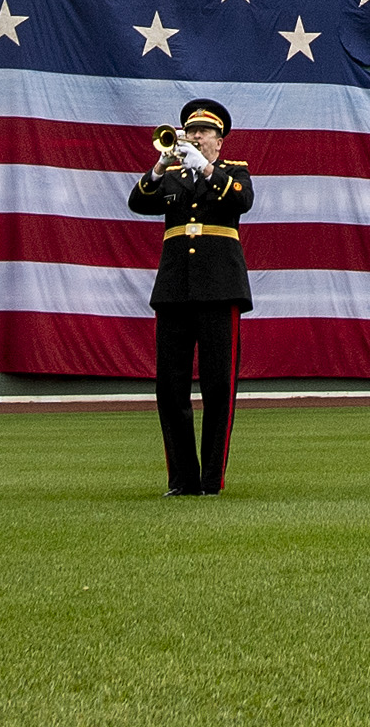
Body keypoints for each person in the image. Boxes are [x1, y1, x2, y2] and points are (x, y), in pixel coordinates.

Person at [127, 100, 252, 496]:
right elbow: (138, 202)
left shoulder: (234, 172)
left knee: (219, 388)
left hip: (220, 288)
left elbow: (241, 201)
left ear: (219, 140)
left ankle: (212, 481)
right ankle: (182, 480)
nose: (196, 137)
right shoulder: (173, 175)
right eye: (191, 131)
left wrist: (204, 167)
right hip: (175, 290)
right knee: (170, 387)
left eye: (204, 132)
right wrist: (160, 167)